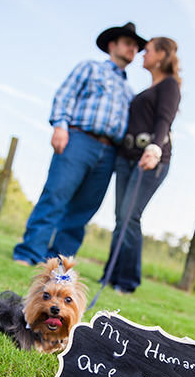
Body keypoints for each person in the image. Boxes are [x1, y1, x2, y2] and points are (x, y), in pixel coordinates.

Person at [13, 22, 147, 265]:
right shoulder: (90, 68)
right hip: (78, 140)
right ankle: (28, 253)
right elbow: (65, 95)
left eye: (136, 47)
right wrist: (60, 125)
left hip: (109, 153)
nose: (133, 49)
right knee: (55, 196)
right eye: (128, 43)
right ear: (112, 45)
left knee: (83, 210)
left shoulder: (130, 91)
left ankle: (58, 264)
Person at [100, 37, 182, 294]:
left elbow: (164, 121)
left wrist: (154, 149)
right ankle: (110, 277)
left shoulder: (169, 85)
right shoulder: (149, 87)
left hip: (149, 160)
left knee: (130, 217)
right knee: (120, 217)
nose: (142, 55)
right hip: (126, 158)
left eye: (147, 51)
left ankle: (127, 282)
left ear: (161, 56)